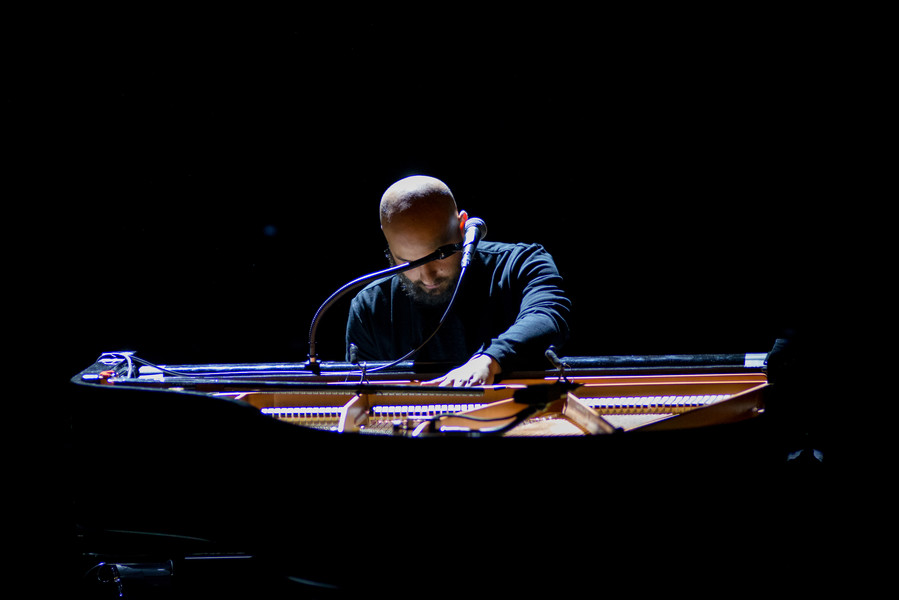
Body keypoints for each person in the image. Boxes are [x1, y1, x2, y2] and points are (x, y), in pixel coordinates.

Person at [345, 175, 571, 387]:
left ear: (463, 226)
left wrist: (490, 360)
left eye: (439, 255)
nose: (427, 276)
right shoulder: (369, 307)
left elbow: (548, 316)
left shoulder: (522, 263)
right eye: (407, 262)